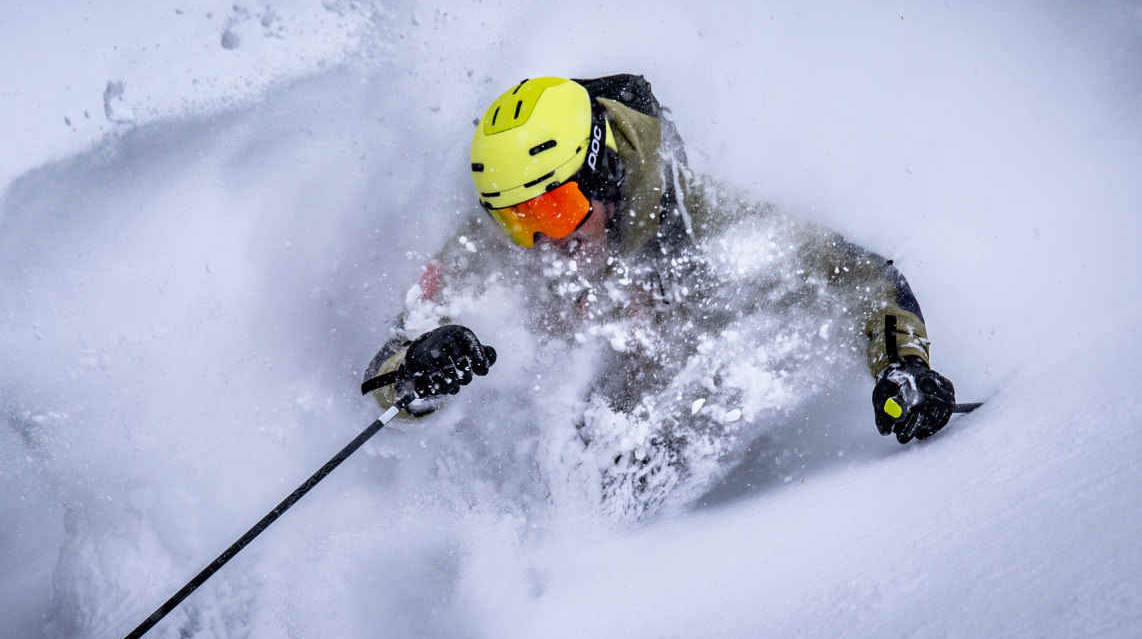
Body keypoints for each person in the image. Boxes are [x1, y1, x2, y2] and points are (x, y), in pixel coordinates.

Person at [361, 75, 955, 446]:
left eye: (556, 209)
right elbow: (389, 372)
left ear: (602, 172)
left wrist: (900, 363)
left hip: (680, 428)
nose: (545, 242)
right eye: (519, 221)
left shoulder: (694, 215)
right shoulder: (491, 243)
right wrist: (421, 367)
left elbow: (857, 272)